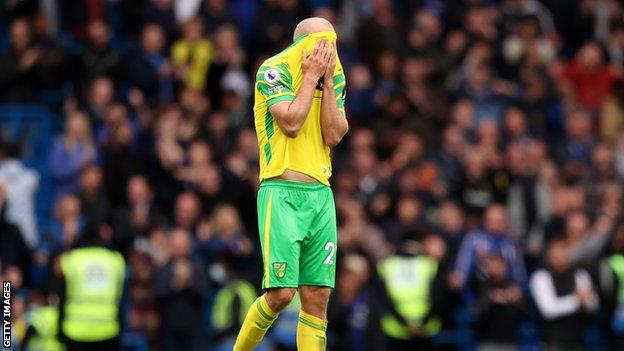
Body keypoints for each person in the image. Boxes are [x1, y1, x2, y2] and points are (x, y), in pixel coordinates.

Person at [233, 17, 349, 351]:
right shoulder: (272, 71)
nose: (327, 52)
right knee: (281, 294)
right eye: (320, 44)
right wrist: (310, 75)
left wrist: (326, 83)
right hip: (281, 192)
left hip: (320, 195)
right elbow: (291, 123)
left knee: (318, 296)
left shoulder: (335, 78)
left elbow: (334, 134)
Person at [56, 226, 126, 351]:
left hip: (75, 330)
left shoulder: (70, 259)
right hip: (108, 328)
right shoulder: (115, 260)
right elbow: (121, 296)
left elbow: (61, 295)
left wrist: (59, 329)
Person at [374, 237, 444, 351]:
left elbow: (384, 299)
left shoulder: (385, 265)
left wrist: (404, 322)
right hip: (425, 329)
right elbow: (438, 298)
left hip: (396, 329)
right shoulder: (431, 265)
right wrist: (421, 323)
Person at [530, 239, 599, 351]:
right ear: (549, 257)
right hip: (553, 341)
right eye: (557, 257)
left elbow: (593, 305)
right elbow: (549, 310)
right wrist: (577, 299)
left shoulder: (580, 274)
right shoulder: (541, 276)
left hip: (579, 338)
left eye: (564, 256)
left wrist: (583, 300)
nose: (561, 260)